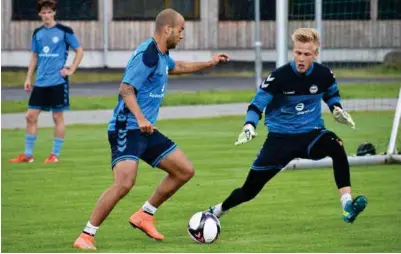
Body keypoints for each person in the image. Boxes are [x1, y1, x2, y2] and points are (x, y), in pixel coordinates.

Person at [73, 8, 229, 250]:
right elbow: (125, 89)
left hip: (145, 129)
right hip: (127, 127)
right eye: (181, 30)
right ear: (167, 29)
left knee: (184, 170)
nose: (182, 35)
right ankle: (86, 235)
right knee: (124, 183)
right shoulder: (148, 53)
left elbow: (178, 67)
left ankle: (145, 214)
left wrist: (209, 62)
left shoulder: (162, 55)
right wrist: (141, 117)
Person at [207, 28, 367, 225]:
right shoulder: (278, 77)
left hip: (311, 134)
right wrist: (249, 125)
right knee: (249, 191)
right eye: (298, 52)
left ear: (315, 55)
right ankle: (217, 210)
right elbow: (257, 105)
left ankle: (347, 205)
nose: (301, 58)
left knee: (336, 145)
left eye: (306, 54)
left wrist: (337, 109)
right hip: (279, 140)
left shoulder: (324, 74)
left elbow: (331, 94)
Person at [9, 0, 84, 164]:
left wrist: (71, 69)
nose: (46, 15)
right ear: (39, 14)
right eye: (43, 12)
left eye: (49, 12)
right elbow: (34, 56)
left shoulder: (65, 31)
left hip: (58, 82)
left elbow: (79, 50)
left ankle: (54, 155)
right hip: (41, 82)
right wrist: (29, 78)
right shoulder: (37, 33)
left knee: (57, 117)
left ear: (54, 13)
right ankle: (28, 155)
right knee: (30, 116)